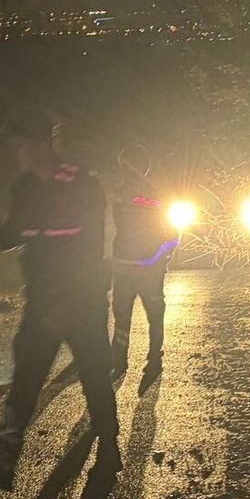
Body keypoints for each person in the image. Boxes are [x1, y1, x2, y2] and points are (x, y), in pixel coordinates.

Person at [0, 110, 122, 489]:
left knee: (94, 373)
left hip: (81, 301)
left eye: (18, 145)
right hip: (41, 299)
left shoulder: (82, 185)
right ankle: (4, 456)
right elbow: (19, 233)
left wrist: (68, 300)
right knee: (27, 374)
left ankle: (108, 442)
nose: (13, 153)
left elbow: (90, 249)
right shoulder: (24, 187)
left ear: (39, 144)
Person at [109, 145, 178, 395]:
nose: (129, 170)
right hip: (129, 265)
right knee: (126, 315)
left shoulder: (148, 196)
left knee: (149, 315)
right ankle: (122, 359)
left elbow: (173, 233)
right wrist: (160, 257)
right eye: (126, 165)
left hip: (140, 266)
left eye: (132, 165)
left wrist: (159, 257)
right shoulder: (118, 195)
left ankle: (150, 358)